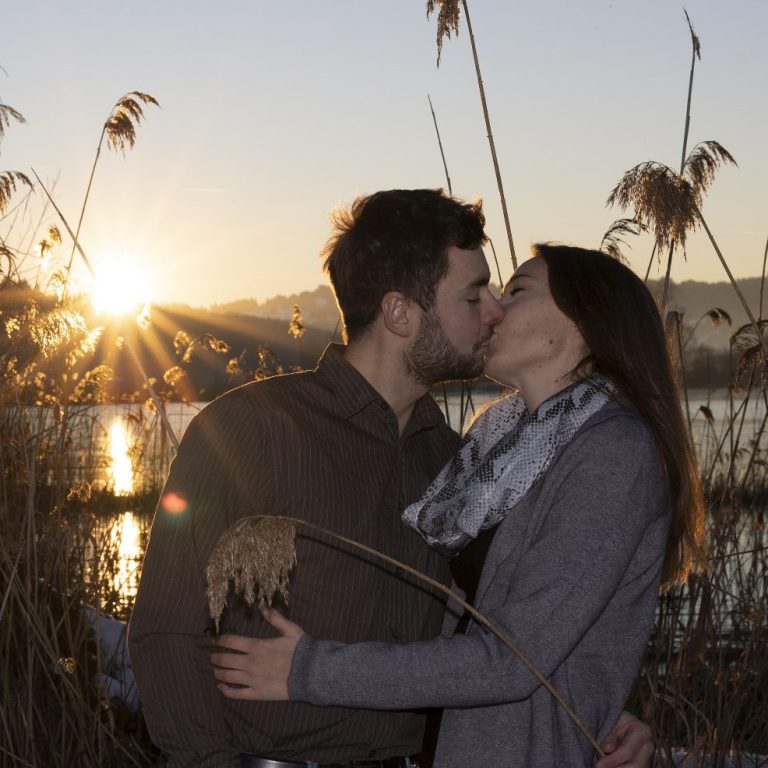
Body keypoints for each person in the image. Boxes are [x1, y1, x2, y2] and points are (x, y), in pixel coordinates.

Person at [129, 191, 655, 768]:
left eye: (502, 293)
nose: (493, 312)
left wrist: (589, 706)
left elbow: (490, 637)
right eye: (474, 295)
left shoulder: (456, 464)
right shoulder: (247, 428)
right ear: (400, 313)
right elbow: (166, 630)